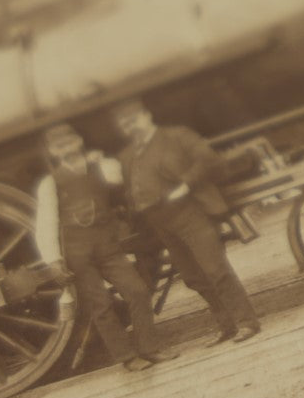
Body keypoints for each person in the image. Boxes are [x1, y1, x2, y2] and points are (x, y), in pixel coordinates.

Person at [112, 100, 261, 345]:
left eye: (133, 119)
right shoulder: (127, 156)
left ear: (146, 115)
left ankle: (246, 322)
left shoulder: (177, 136)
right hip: (159, 221)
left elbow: (208, 159)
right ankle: (227, 326)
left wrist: (185, 185)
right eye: (124, 124)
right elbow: (129, 188)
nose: (130, 126)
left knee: (215, 270)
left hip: (188, 212)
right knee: (193, 277)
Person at [33, 124, 179, 372]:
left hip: (106, 243)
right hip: (76, 251)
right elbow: (46, 222)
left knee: (137, 291)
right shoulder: (50, 183)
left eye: (69, 142)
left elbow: (120, 176)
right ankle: (127, 357)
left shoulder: (101, 167)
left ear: (79, 142)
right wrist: (54, 261)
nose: (66, 149)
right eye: (59, 147)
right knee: (100, 305)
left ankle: (149, 349)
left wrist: (98, 159)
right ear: (53, 152)